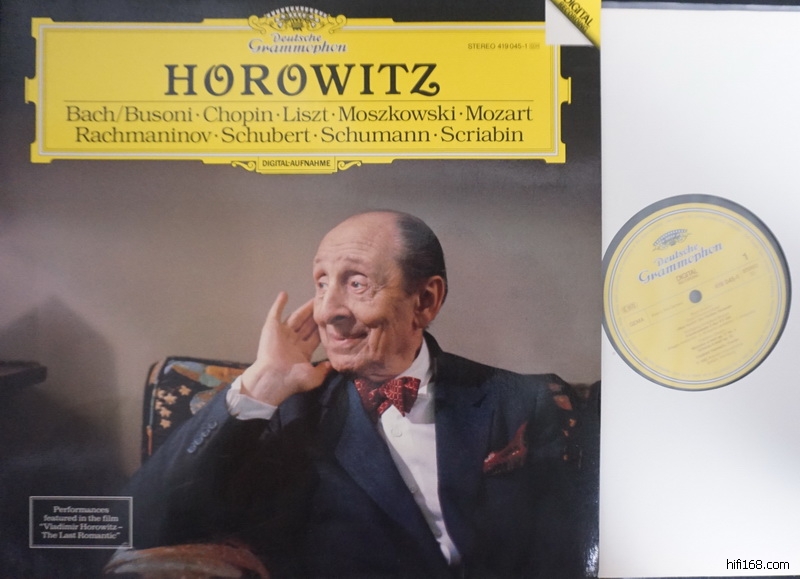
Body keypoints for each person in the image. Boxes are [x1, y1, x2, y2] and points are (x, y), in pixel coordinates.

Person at [124, 210, 597, 578]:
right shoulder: (289, 411)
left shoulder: (522, 400)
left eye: (355, 283)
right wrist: (262, 381)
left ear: (425, 301)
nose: (328, 310)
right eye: (321, 283)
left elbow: (563, 554)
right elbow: (140, 525)